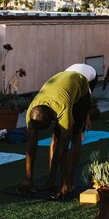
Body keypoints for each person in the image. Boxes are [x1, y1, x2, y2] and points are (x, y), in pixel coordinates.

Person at [18, 70, 92, 200]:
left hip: (81, 89)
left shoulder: (62, 109)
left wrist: (65, 183)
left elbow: (63, 150)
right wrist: (28, 178)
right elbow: (30, 146)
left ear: (53, 118)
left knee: (74, 135)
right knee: (55, 137)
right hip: (61, 86)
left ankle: (69, 183)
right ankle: (51, 181)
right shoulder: (32, 111)